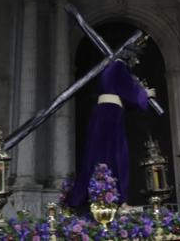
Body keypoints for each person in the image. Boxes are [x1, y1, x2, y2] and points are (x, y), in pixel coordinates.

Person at [66, 52, 154, 208]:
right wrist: (144, 94)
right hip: (111, 114)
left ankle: (90, 197)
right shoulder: (119, 67)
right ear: (130, 59)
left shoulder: (109, 69)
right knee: (117, 155)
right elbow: (128, 90)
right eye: (135, 60)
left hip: (104, 113)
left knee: (97, 154)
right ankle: (119, 200)